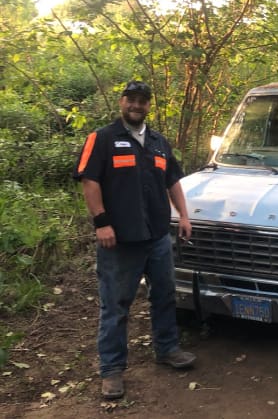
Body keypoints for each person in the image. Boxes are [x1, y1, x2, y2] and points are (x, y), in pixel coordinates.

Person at [73, 80, 196, 400]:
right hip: (119, 240)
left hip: (156, 236)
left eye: (142, 101)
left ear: (148, 106)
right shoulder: (101, 139)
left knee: (165, 295)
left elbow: (173, 181)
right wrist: (101, 223)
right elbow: (89, 181)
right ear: (121, 101)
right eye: (132, 100)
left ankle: (167, 349)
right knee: (115, 306)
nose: (136, 106)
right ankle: (112, 370)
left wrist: (183, 215)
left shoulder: (158, 142)